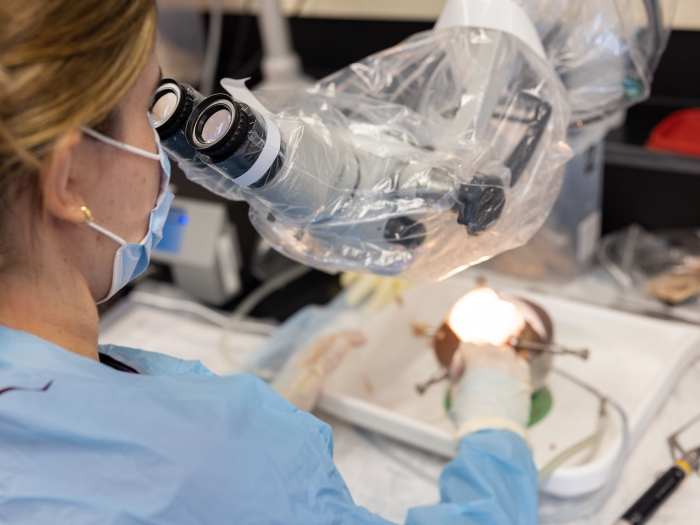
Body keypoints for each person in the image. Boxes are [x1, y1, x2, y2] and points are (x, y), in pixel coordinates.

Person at [0, 1, 538, 523]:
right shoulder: (205, 465)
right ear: (68, 180)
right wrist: (495, 434)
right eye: (148, 110)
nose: (165, 148)